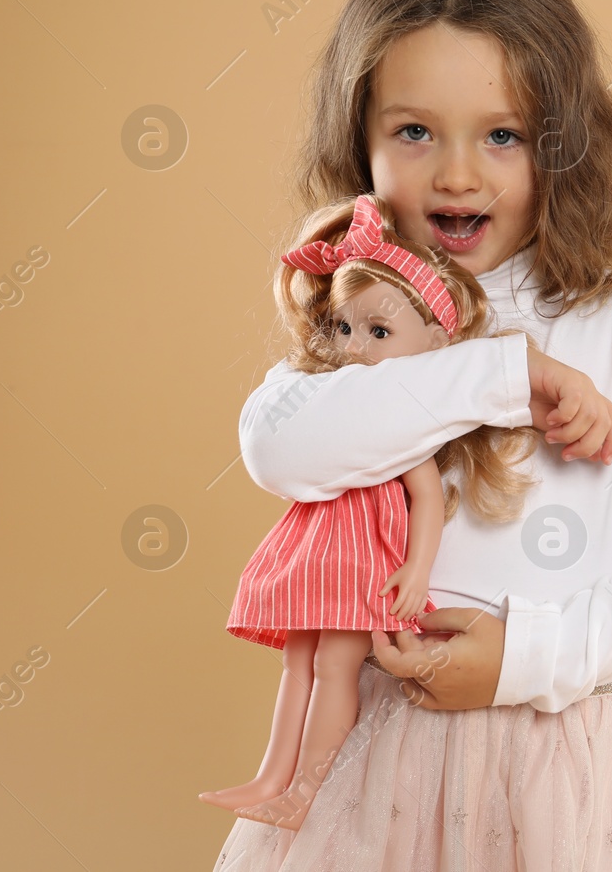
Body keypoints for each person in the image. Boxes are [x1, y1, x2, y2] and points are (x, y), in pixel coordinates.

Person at [211, 0, 612, 871]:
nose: (457, 173)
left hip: (584, 756)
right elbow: (280, 446)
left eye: (501, 135)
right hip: (388, 756)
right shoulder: (359, 315)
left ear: (563, 145)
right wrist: (505, 373)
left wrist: (524, 659)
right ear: (361, 139)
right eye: (414, 131)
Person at [201, 192, 542, 831]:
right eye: (344, 328)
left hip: (362, 565)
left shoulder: (411, 427)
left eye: (379, 332)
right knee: (297, 659)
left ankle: (306, 787)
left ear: (438, 342)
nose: (355, 347)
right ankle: (271, 776)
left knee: (335, 664)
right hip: (318, 556)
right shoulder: (337, 403)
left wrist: (417, 570)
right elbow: (281, 449)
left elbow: (428, 498)